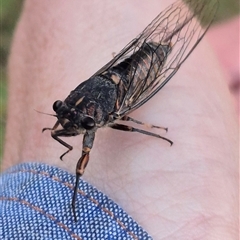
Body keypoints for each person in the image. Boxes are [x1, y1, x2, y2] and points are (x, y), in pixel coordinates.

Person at [1, 1, 238, 239]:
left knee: (133, 122)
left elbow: (128, 125)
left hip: (135, 82)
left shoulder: (105, 117)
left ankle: (74, 198)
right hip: (114, 74)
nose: (66, 121)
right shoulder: (71, 112)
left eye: (85, 124)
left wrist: (150, 129)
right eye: (60, 109)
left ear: (94, 124)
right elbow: (66, 120)